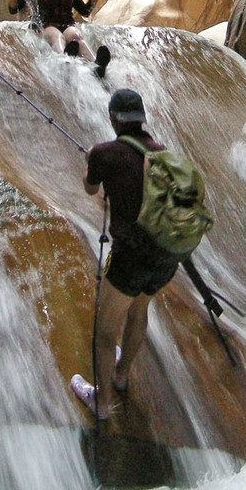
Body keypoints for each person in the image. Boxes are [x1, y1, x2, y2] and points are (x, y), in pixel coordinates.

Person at [71, 88, 181, 419]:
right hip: (166, 256)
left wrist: (91, 159)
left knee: (105, 332)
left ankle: (102, 404)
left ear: (114, 119)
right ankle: (121, 376)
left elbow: (91, 188)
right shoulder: (163, 154)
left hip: (130, 257)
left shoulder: (105, 154)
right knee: (140, 309)